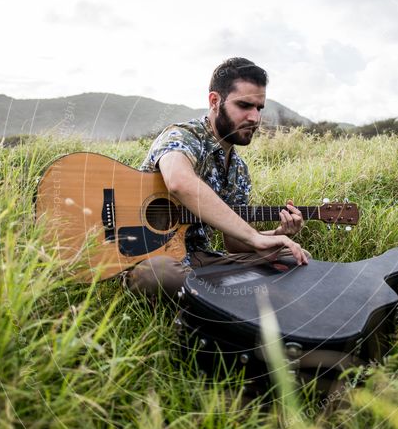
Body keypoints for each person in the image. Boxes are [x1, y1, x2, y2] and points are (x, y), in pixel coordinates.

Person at [123, 57, 310, 301]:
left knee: (293, 258)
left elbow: (234, 243)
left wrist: (276, 233)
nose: (254, 118)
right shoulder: (182, 136)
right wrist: (254, 237)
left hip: (200, 259)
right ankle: (219, 297)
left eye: (259, 108)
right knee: (162, 274)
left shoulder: (239, 170)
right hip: (150, 256)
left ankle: (212, 295)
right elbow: (178, 181)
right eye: (244, 105)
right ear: (215, 101)